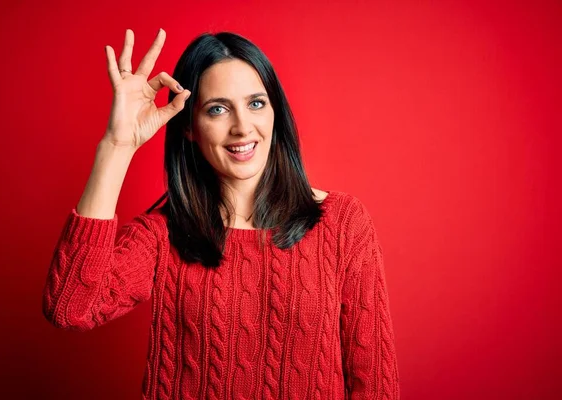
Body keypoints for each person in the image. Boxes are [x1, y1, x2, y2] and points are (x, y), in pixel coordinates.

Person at [41, 28, 400, 399]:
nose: (242, 126)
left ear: (276, 111)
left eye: (256, 103)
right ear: (190, 128)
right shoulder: (163, 235)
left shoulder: (342, 223)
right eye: (218, 109)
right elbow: (71, 308)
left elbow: (374, 383)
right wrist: (117, 145)